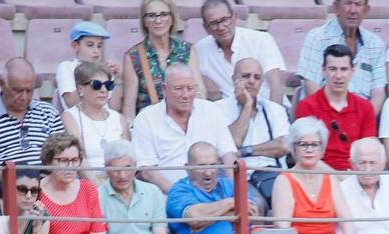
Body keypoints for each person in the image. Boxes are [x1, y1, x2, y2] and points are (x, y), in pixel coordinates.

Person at [0, 59, 64, 196]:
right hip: (1, 184)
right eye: (17, 90)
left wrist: (50, 176)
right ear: (2, 85)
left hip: (45, 182)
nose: (24, 97)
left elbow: (62, 153)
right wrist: (15, 178)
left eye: (29, 91)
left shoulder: (49, 112)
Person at [132, 65, 238, 193]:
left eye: (190, 88)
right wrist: (179, 195)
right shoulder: (145, 119)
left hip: (212, 188)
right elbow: (147, 171)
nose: (186, 95)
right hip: (167, 192)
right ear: (164, 89)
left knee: (253, 205)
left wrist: (235, 191)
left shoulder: (211, 110)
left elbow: (228, 154)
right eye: (178, 89)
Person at [273, 116, 361, 234]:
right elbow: (283, 227)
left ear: (322, 149)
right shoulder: (284, 181)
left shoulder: (329, 179)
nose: (309, 150)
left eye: (315, 145)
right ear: (293, 148)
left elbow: (346, 218)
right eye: (303, 144)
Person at [35, 131, 115, 234]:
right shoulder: (37, 192)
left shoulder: (87, 188)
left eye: (75, 160)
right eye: (63, 161)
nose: (70, 166)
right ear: (48, 161)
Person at [218, 58, 289, 206]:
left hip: (272, 173)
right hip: (238, 175)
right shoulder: (219, 109)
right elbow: (233, 142)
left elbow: (285, 145)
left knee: (289, 201)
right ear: (234, 79)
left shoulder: (275, 109)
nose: (251, 81)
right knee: (255, 204)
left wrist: (246, 151)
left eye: (257, 77)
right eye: (246, 76)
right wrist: (247, 106)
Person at [294, 45, 376, 172]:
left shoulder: (365, 107)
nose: (338, 76)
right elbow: (304, 154)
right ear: (323, 70)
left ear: (352, 71)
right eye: (332, 69)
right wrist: (339, 178)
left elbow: (369, 152)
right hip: (317, 174)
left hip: (356, 176)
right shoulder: (307, 106)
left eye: (344, 69)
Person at [297, 0, 387, 111]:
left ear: (366, 10)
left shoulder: (375, 44)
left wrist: (364, 120)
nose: (353, 10)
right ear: (336, 8)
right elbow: (312, 90)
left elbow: (378, 93)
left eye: (358, 4)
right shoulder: (317, 39)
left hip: (364, 120)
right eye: (348, 3)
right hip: (324, 119)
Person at [196, 0, 285, 106]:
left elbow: (276, 82)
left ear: (234, 17)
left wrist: (274, 116)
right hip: (225, 116)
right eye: (214, 23)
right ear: (206, 28)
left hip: (264, 109)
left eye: (225, 20)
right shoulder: (200, 49)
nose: (221, 27)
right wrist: (202, 80)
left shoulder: (261, 40)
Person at [165, 142, 237, 234]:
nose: (208, 173)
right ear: (188, 168)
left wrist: (207, 219)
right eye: (201, 166)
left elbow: (252, 213)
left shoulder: (229, 185)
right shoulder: (178, 190)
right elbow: (196, 218)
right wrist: (231, 203)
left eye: (213, 165)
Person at [120, 0, 196, 120]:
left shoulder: (187, 50)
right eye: (151, 15)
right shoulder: (133, 56)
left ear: (172, 19)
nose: (158, 21)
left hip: (185, 119)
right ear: (144, 21)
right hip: (150, 122)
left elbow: (199, 88)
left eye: (164, 14)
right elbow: (129, 105)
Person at [99, 139, 168, 234]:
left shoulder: (152, 191)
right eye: (115, 170)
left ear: (136, 166)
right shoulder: (97, 197)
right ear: (106, 169)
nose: (122, 175)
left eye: (127, 168)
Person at [62, 60, 131, 176]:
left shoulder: (119, 118)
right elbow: (80, 159)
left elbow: (128, 160)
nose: (103, 90)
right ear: (81, 89)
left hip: (119, 181)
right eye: (97, 85)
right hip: (88, 184)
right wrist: (100, 190)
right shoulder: (70, 117)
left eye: (108, 85)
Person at [55, 21, 117, 112]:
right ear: (75, 46)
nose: (96, 51)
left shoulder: (104, 70)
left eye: (99, 46)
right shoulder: (66, 67)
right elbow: (72, 103)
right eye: (90, 45)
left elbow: (114, 109)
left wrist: (118, 80)